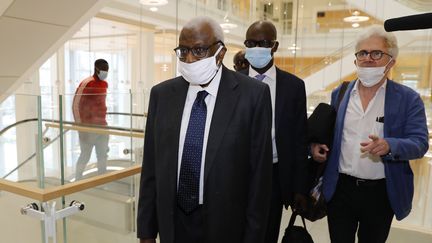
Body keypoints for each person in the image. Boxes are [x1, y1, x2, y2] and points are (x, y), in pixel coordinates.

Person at [137, 16, 273, 243]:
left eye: (199, 50)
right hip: (173, 222)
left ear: (220, 53)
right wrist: (147, 232)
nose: (189, 59)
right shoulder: (162, 95)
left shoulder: (253, 96)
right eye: (183, 51)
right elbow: (151, 168)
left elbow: (260, 179)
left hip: (226, 225)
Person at [311, 25, 429, 243]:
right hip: (341, 190)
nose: (368, 59)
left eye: (377, 53)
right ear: (356, 60)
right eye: (362, 53)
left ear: (391, 61)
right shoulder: (341, 93)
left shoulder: (408, 99)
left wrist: (390, 145)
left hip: (380, 194)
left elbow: (420, 143)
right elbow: (332, 135)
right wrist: (317, 148)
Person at [240, 20, 309, 243]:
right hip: (236, 172)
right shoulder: (230, 81)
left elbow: (299, 139)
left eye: (264, 43)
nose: (257, 48)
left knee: (267, 233)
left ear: (275, 46)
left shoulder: (294, 86)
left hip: (274, 176)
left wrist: (299, 187)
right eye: (251, 43)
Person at [72, 59, 109, 180]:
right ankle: (78, 179)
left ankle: (101, 179)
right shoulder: (87, 83)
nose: (105, 73)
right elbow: (75, 105)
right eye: (104, 70)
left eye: (107, 70)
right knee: (85, 155)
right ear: (96, 69)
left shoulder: (104, 84)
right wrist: (81, 128)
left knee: (102, 155)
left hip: (102, 126)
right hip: (88, 127)